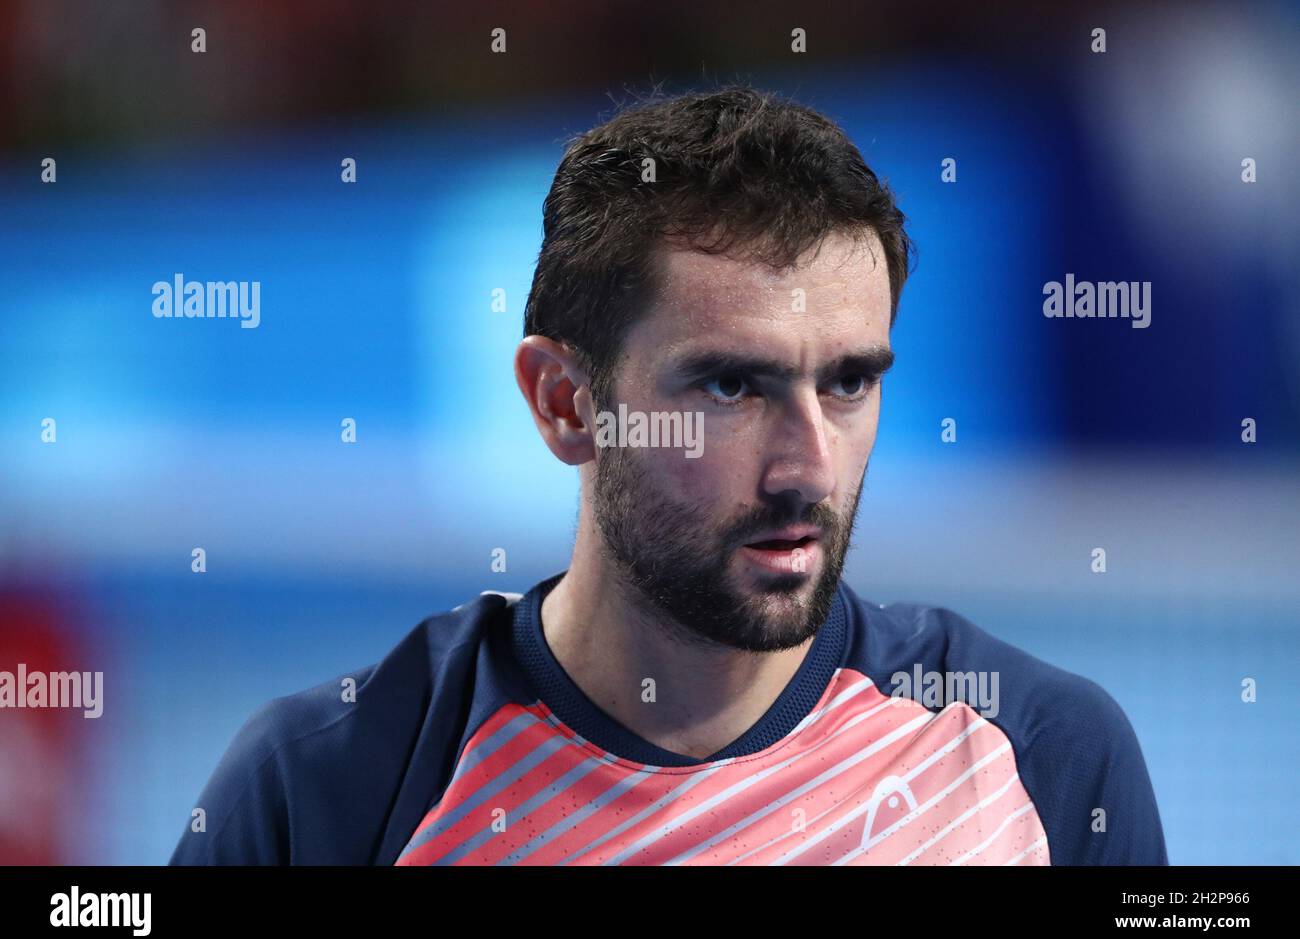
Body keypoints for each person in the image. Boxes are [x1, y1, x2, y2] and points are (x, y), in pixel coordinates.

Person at [170, 85, 1167, 866]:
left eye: (850, 381)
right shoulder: (333, 784)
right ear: (565, 401)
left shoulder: (1041, 753)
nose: (808, 465)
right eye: (732, 385)